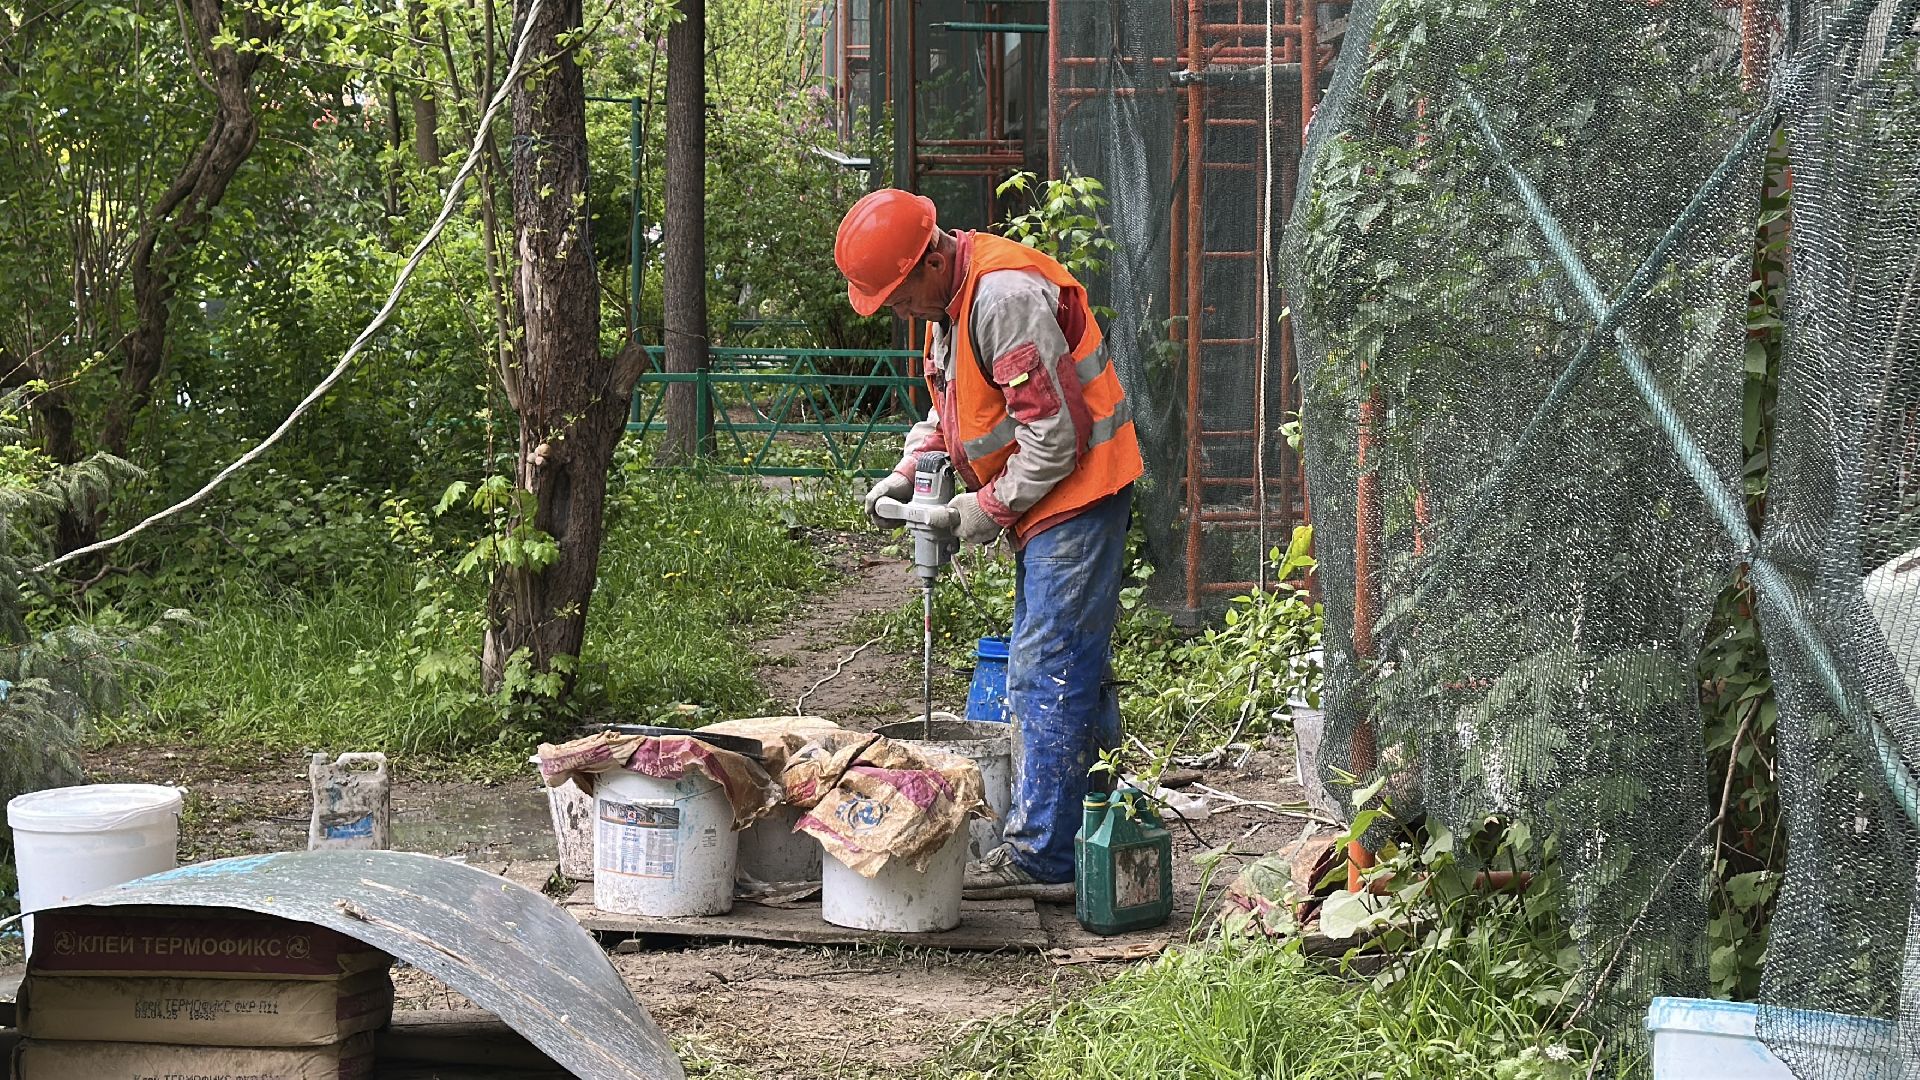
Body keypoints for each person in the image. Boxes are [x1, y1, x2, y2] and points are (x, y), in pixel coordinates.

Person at [833, 188, 1144, 901]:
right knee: (1073, 671)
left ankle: (1042, 859)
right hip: (1048, 502)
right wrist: (910, 471)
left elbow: (1055, 438)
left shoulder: (1001, 299)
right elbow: (955, 415)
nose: (897, 312)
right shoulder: (948, 308)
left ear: (930, 259)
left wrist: (976, 511)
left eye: (897, 296)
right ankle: (1092, 827)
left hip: (1078, 494)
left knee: (1047, 670)